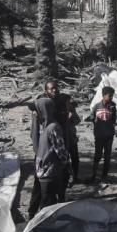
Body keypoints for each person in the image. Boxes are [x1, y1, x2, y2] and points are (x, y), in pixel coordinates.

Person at [29, 80, 71, 209]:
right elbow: (34, 134)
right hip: (45, 154)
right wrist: (39, 152)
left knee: (56, 185)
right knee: (42, 188)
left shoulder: (60, 104)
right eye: (51, 89)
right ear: (46, 91)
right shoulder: (40, 110)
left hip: (54, 150)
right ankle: (36, 211)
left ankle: (58, 203)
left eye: (56, 88)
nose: (54, 90)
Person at [30, 111, 69, 215]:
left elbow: (60, 150)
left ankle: (42, 221)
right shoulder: (46, 125)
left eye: (37, 110)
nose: (35, 113)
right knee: (45, 199)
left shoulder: (51, 127)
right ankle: (36, 217)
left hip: (47, 169)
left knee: (47, 200)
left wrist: (65, 163)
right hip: (45, 168)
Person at [90, 86, 117, 181]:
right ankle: (94, 175)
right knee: (97, 154)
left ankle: (104, 176)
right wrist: (98, 127)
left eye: (112, 96)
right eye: (109, 96)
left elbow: (114, 120)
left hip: (109, 135)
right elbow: (92, 118)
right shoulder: (96, 106)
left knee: (107, 156)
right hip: (99, 135)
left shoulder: (113, 106)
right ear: (103, 95)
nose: (111, 98)